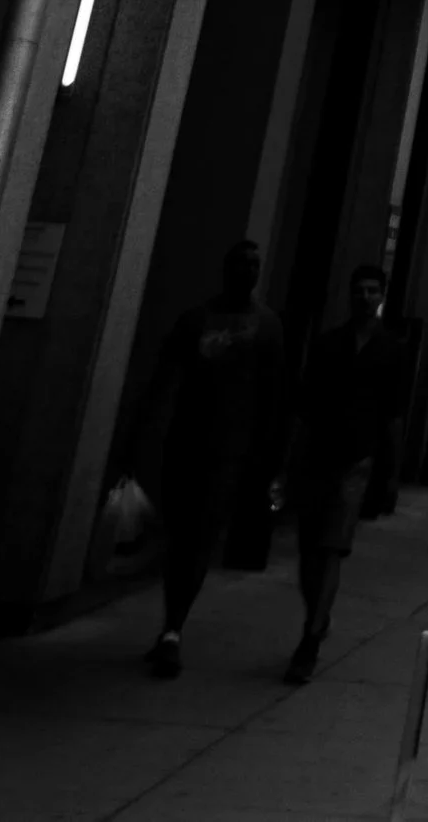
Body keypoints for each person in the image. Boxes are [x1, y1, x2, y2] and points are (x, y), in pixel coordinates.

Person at [129, 239, 286, 679]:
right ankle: (171, 623)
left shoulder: (268, 326)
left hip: (230, 453)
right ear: (226, 269)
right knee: (180, 535)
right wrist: (142, 437)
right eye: (241, 263)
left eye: (255, 264)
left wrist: (268, 459)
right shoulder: (196, 320)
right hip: (186, 443)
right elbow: (166, 380)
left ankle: (172, 629)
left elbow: (273, 397)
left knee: (199, 537)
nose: (248, 271)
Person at [283, 262, 407, 683]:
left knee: (332, 547)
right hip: (317, 455)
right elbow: (305, 405)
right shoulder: (328, 344)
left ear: (382, 296)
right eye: (359, 290)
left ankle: (311, 636)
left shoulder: (391, 349)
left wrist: (389, 473)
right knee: (309, 550)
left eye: (373, 291)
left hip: (356, 461)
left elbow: (393, 414)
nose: (365, 297)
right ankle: (317, 615)